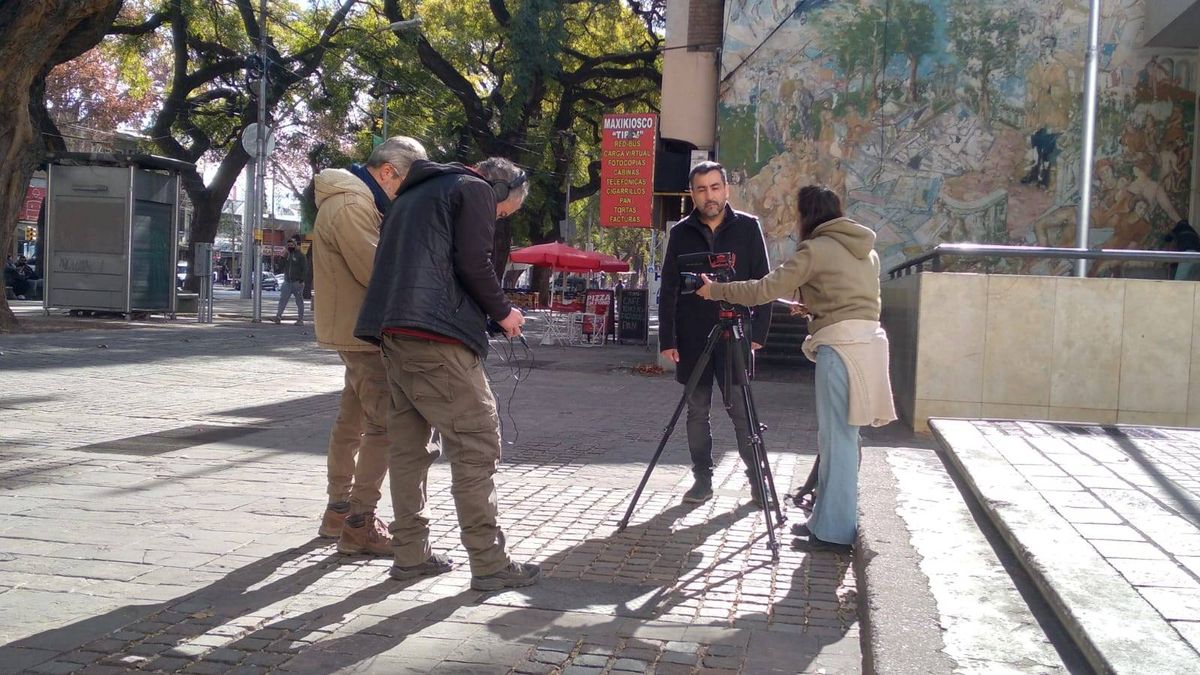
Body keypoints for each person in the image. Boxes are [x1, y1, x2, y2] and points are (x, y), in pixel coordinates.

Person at [354, 156, 540, 590]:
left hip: (395, 335)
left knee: (407, 450)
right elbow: (474, 262)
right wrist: (504, 312)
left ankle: (410, 556)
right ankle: (490, 562)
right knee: (477, 442)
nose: (496, 218)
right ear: (498, 191)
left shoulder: (410, 197)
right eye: (502, 213)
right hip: (437, 338)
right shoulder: (473, 189)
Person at [697, 185, 896, 551]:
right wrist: (816, 308)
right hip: (867, 346)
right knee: (842, 439)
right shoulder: (866, 252)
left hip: (840, 347)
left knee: (837, 441)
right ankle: (826, 520)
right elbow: (856, 301)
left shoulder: (815, 249)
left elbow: (763, 290)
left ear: (807, 216)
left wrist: (717, 292)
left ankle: (835, 532)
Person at [312, 136, 428, 554]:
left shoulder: (351, 198)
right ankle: (358, 522)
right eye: (406, 183)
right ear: (387, 172)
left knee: (353, 420)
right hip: (364, 331)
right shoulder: (352, 205)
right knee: (383, 425)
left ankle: (339, 511)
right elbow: (376, 270)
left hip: (355, 327)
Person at [659, 161, 773, 506]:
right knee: (696, 412)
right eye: (701, 189)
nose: (709, 195)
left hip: (736, 334)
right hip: (693, 337)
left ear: (726, 189)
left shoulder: (749, 228)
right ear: (692, 194)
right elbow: (669, 288)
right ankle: (702, 479)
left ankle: (757, 482)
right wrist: (668, 339)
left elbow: (764, 283)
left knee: (742, 412)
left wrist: (759, 333)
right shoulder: (680, 233)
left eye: (714, 187)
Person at [273, 238, 308, 324]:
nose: (290, 247)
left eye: (292, 245)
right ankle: (278, 316)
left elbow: (305, 268)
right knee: (283, 299)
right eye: (288, 246)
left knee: (299, 301)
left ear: (295, 245)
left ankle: (300, 319)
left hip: (297, 282)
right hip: (287, 282)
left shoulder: (300, 255)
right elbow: (280, 267)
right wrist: (282, 257)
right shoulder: (287, 255)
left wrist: (301, 279)